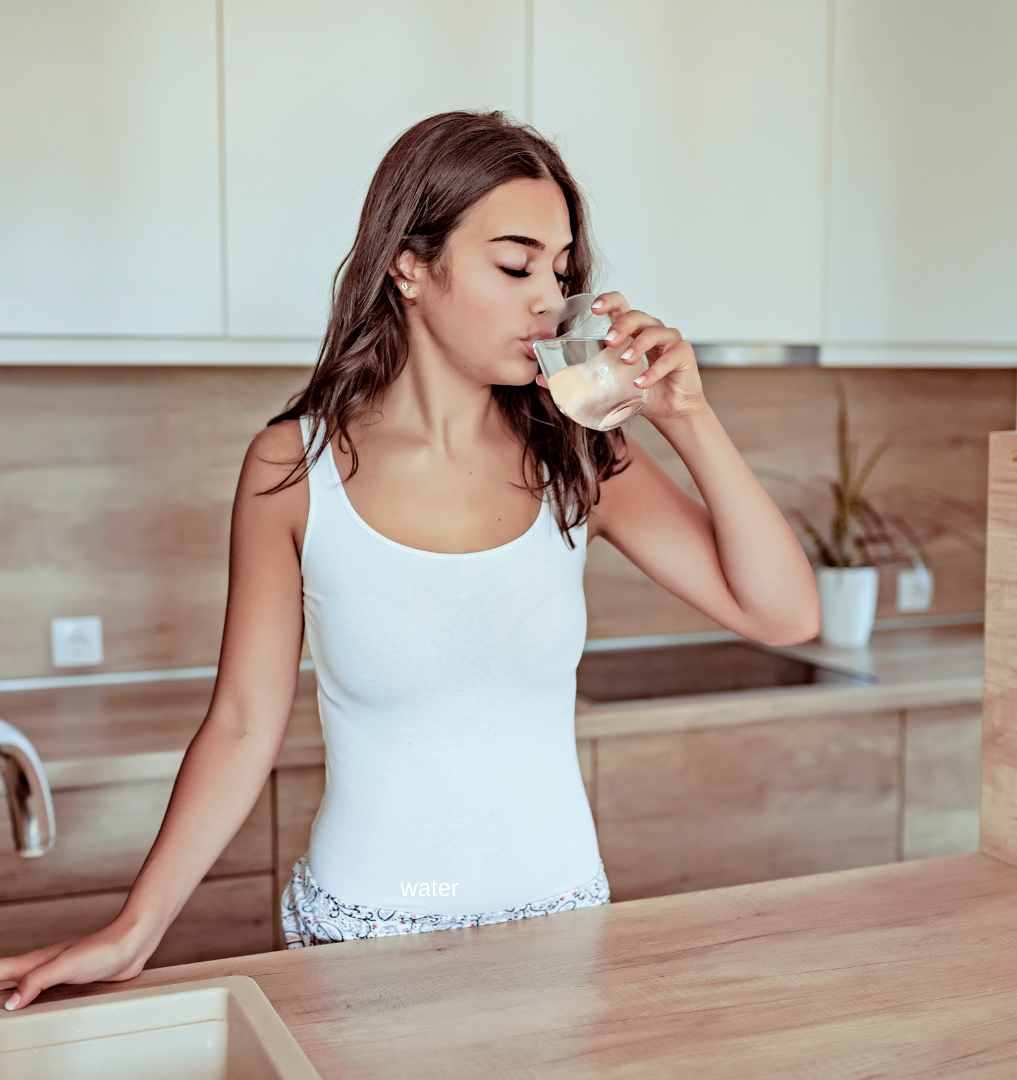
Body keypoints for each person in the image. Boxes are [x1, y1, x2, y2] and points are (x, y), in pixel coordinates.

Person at [1, 111, 819, 1009]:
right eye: (514, 265)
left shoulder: (579, 454)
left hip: (564, 929)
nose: (547, 298)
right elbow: (240, 722)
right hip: (357, 940)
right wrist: (132, 933)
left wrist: (688, 417)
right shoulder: (295, 467)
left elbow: (784, 616)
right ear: (410, 265)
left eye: (559, 269)